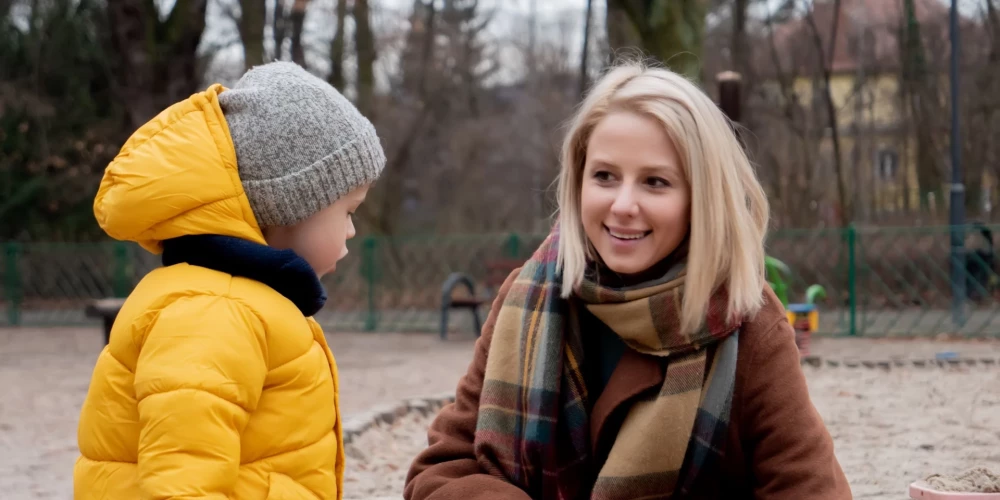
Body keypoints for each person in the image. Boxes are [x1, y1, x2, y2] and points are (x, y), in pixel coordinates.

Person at [404, 61, 851, 499]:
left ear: (702, 198)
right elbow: (443, 469)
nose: (622, 204)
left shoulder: (748, 322)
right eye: (604, 176)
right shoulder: (528, 298)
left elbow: (809, 488)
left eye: (655, 182)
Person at [74, 62, 385, 499]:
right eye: (348, 212)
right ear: (288, 206)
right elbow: (181, 483)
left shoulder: (243, 302)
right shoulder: (215, 311)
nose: (352, 230)